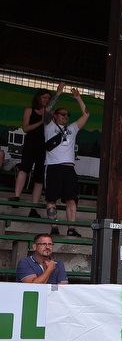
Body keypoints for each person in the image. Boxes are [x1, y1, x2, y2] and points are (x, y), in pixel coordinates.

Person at [11, 83, 63, 217]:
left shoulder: (50, 113)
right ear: (38, 98)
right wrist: (40, 122)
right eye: (44, 97)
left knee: (39, 177)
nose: (46, 100)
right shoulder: (29, 110)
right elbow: (25, 128)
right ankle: (16, 196)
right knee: (24, 169)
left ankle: (33, 208)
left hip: (43, 146)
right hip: (30, 144)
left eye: (48, 98)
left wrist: (58, 93)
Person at [43, 88, 90, 237]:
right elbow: (47, 109)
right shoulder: (49, 126)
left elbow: (86, 114)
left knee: (71, 200)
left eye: (67, 115)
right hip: (53, 167)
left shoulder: (72, 129)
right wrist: (58, 93)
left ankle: (71, 228)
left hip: (69, 168)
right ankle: (54, 227)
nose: (66, 116)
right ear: (55, 116)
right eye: (62, 114)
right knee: (51, 198)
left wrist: (78, 98)